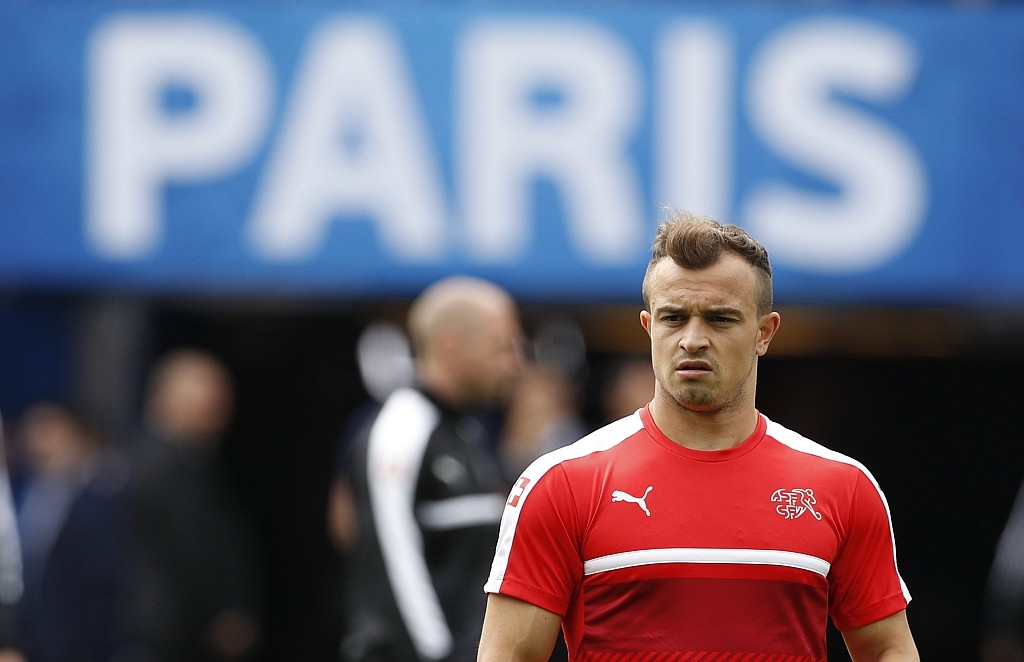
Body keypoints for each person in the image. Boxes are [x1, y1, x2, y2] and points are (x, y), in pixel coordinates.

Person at [478, 210, 919, 661]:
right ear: (649, 328)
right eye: (674, 318)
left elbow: (887, 648)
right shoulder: (563, 483)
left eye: (719, 319)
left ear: (764, 333)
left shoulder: (842, 486)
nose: (692, 339)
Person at [338, 276, 524, 661]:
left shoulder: (466, 434)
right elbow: (391, 564)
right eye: (502, 347)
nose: (514, 364)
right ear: (451, 346)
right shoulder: (403, 429)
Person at [122, 349, 264, 662]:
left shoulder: (185, 460)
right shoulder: (165, 466)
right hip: (164, 631)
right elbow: (195, 545)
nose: (222, 411)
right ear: (168, 399)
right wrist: (224, 611)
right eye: (210, 400)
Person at [11, 403, 127, 662]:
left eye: (48, 434)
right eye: (32, 435)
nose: (37, 446)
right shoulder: (29, 494)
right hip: (35, 641)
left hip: (85, 645)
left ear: (79, 438)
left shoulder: (103, 494)